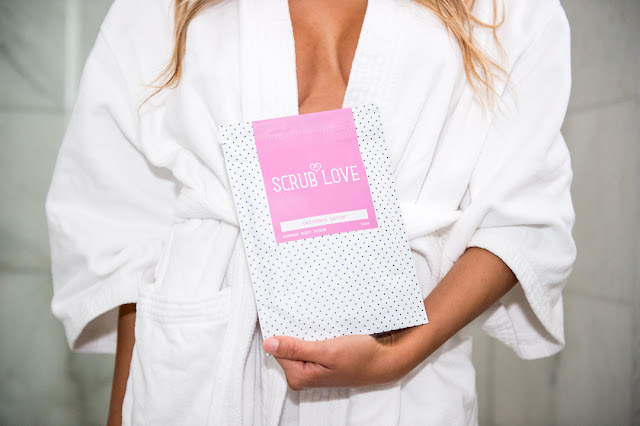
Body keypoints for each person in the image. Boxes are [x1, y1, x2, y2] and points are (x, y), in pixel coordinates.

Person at [45, 0, 576, 424]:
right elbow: (130, 224)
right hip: (195, 375)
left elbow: (522, 212)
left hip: (406, 377)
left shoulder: (505, 9)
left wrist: (399, 354)